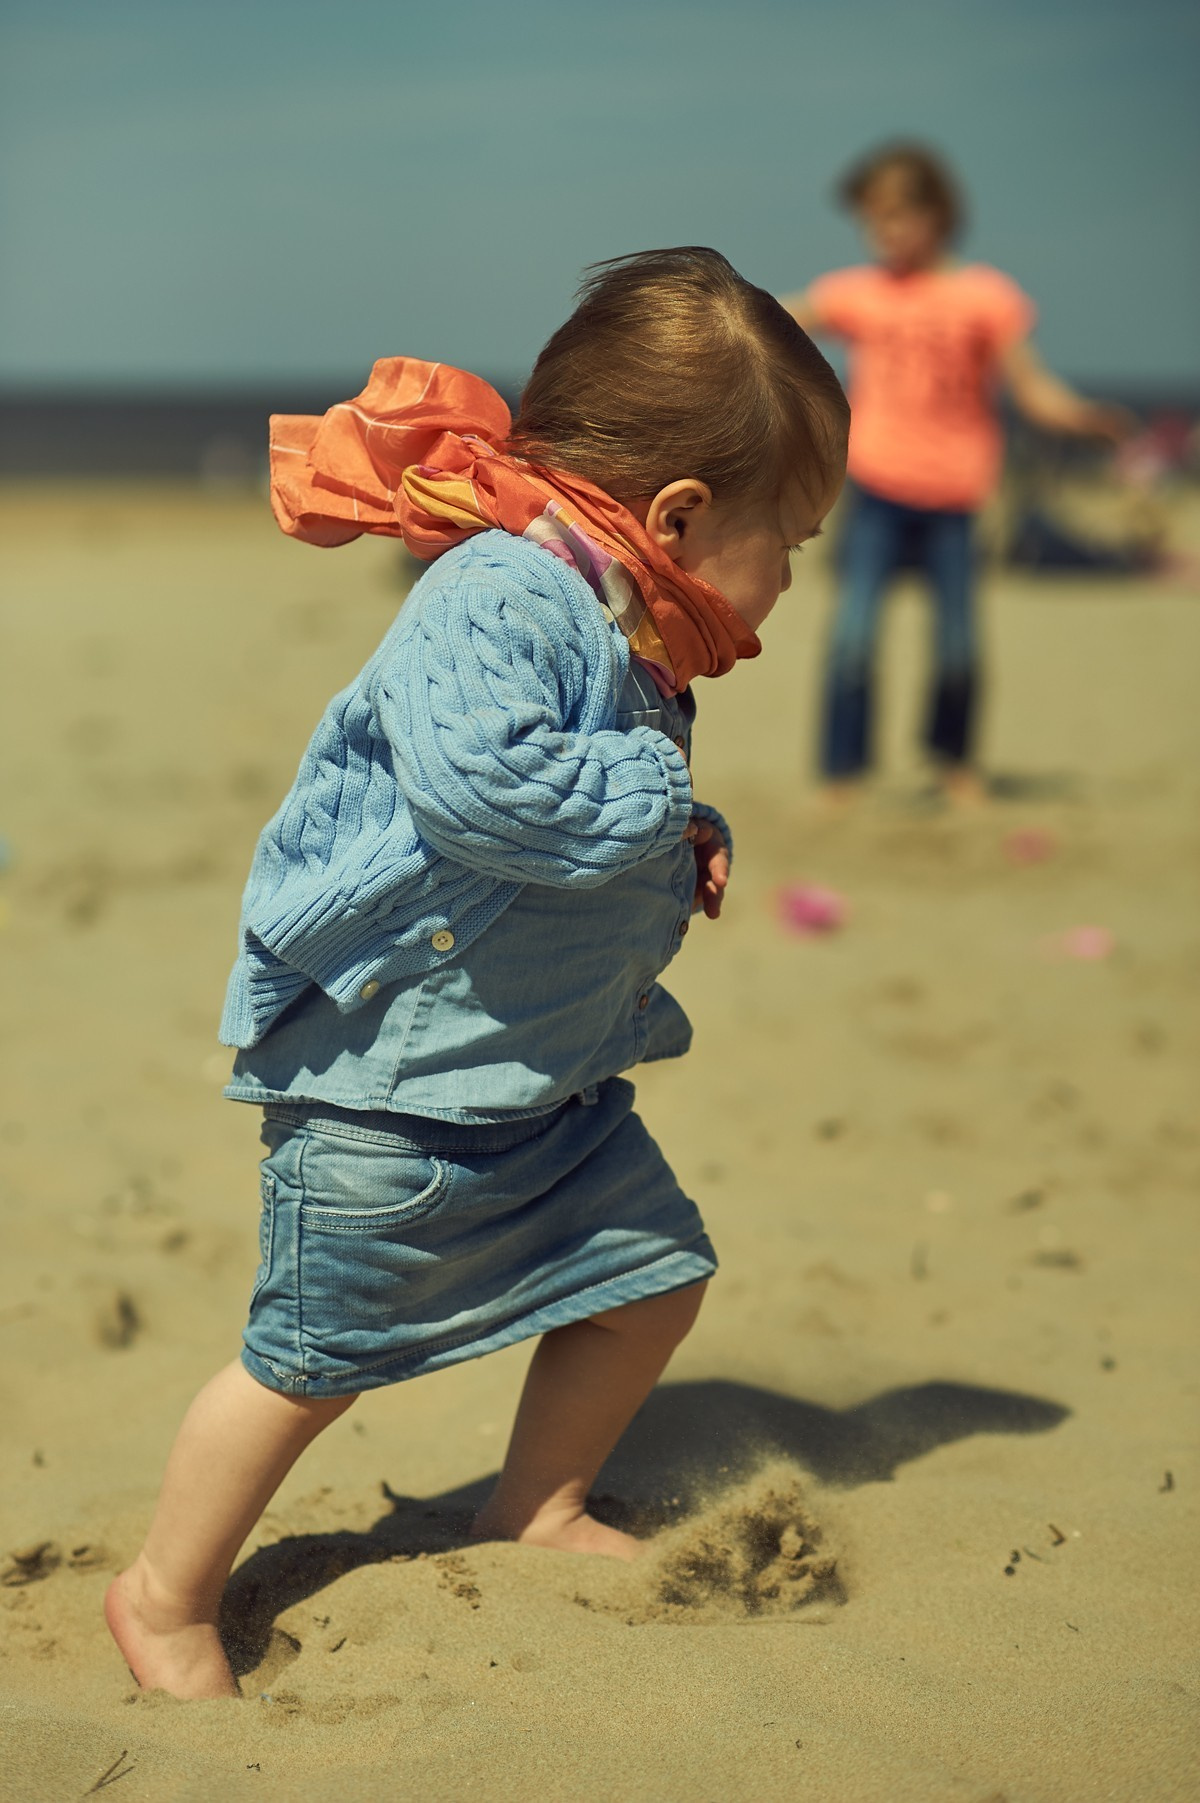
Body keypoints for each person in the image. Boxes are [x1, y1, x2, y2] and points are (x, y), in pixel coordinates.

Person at [104, 247, 849, 1700]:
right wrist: (653, 795)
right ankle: (162, 1591)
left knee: (648, 1281)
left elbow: (585, 803)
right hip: (399, 1086)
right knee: (310, 1355)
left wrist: (680, 830)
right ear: (681, 516)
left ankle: (538, 1499)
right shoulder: (500, 592)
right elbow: (487, 794)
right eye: (796, 542)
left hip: (544, 1081)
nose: (787, 581)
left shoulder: (623, 620)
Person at [783, 142, 1125, 806]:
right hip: (878, 486)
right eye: (872, 221)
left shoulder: (985, 296)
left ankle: (954, 762)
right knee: (853, 632)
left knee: (958, 643)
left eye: (895, 217)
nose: (883, 234)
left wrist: (1083, 417)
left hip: (958, 492)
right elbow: (776, 315)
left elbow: (1032, 389)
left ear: (937, 214)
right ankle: (843, 774)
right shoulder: (859, 293)